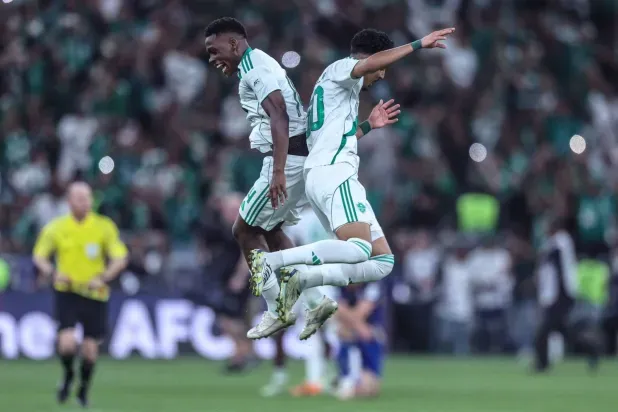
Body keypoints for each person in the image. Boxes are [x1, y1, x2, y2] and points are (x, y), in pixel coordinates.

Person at [248, 27, 455, 325]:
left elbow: (334, 140)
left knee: (382, 262)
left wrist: (368, 125)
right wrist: (419, 44)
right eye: (381, 66)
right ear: (372, 58)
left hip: (326, 173)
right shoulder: (341, 69)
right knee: (358, 250)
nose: (382, 75)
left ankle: (302, 280)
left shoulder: (337, 90)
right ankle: (272, 261)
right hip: (334, 175)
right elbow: (369, 64)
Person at [204, 17, 336, 340]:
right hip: (297, 156)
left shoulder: (255, 68)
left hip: (287, 159)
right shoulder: (257, 63)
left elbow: (279, 114)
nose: (212, 58)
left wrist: (278, 171)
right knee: (272, 231)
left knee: (244, 230)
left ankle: (278, 308)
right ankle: (316, 301)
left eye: (215, 50)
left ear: (234, 43)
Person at [32, 182, 128, 407]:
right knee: (66, 343)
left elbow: (120, 258)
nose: (85, 202)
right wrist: (53, 273)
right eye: (80, 198)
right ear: (69, 202)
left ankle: (83, 389)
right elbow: (39, 256)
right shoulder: (57, 228)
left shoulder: (103, 226)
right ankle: (68, 376)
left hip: (95, 294)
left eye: (87, 198)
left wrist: (104, 277)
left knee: (90, 351)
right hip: (67, 293)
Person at [534, 217, 602, 372]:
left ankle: (542, 364)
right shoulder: (553, 243)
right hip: (556, 295)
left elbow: (558, 267)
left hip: (561, 294)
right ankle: (591, 349)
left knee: (544, 329)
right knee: (565, 331)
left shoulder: (561, 242)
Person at [334, 282, 386, 400]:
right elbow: (336, 309)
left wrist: (356, 326)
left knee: (370, 388)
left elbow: (362, 311)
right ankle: (346, 378)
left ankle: (360, 377)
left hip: (370, 333)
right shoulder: (337, 284)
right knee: (342, 333)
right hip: (346, 329)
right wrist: (358, 326)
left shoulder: (372, 285)